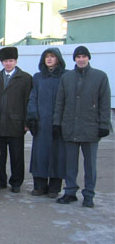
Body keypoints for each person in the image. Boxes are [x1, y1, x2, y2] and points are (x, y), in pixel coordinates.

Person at [53, 46, 111, 208]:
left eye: (84, 56)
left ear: (88, 58)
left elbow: (105, 103)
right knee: (70, 163)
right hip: (70, 127)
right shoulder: (67, 77)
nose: (81, 59)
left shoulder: (100, 77)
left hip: (91, 127)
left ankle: (89, 194)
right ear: (74, 59)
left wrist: (104, 124)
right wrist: (57, 122)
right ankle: (70, 191)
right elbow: (60, 102)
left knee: (90, 164)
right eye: (78, 57)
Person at [0, 47, 32, 193]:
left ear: (16, 61)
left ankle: (16, 181)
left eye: (11, 61)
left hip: (16, 123)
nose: (8, 63)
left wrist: (27, 122)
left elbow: (28, 101)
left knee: (17, 155)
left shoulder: (25, 78)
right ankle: (0, 180)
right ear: (1, 62)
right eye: (5, 61)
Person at [27, 48, 67, 198]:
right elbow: (33, 98)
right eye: (46, 57)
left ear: (58, 59)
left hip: (58, 123)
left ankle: (54, 187)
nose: (49, 59)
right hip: (41, 123)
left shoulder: (65, 76)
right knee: (40, 154)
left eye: (52, 56)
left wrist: (62, 121)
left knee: (58, 155)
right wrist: (32, 118)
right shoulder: (38, 77)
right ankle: (39, 186)